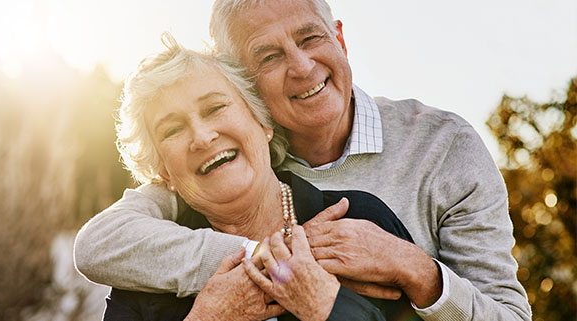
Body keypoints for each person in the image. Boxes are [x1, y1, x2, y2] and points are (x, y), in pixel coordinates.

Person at [74, 0, 532, 320]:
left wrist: (417, 270)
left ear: (340, 40)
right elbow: (100, 243)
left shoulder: (441, 148)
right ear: (247, 89)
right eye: (268, 56)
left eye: (310, 37)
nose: (302, 66)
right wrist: (268, 258)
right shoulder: (224, 163)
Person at [102, 36, 417, 321]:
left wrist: (326, 305)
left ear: (263, 123)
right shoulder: (144, 276)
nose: (201, 136)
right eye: (172, 130)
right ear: (164, 173)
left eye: (214, 108)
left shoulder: (360, 221)